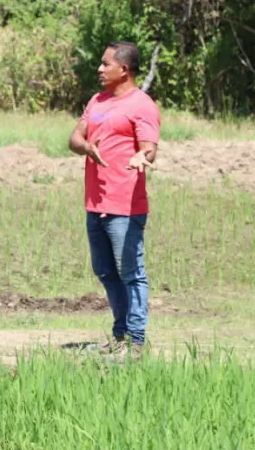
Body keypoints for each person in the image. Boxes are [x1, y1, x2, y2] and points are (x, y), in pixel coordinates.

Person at [68, 41, 161, 360]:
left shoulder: (142, 105)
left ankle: (136, 342)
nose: (99, 68)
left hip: (125, 206)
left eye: (106, 63)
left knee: (131, 272)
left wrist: (142, 156)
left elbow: (149, 147)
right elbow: (74, 138)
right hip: (95, 204)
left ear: (124, 70)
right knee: (106, 271)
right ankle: (119, 334)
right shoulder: (97, 101)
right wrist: (85, 147)